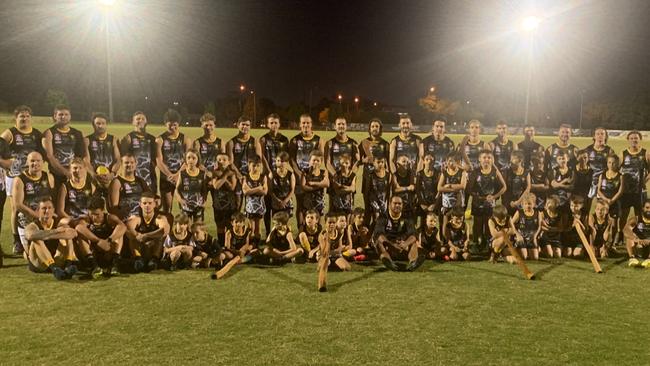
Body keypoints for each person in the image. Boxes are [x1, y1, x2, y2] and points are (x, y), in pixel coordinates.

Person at [0, 105, 44, 254]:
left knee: (32, 204)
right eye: (21, 116)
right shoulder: (10, 133)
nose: (24, 119)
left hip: (32, 175)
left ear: (31, 118)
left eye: (27, 116)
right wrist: (5, 164)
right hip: (14, 176)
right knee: (15, 208)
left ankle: (35, 234)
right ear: (16, 118)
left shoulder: (37, 134)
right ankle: (16, 241)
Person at [24, 197, 78, 280]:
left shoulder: (59, 223)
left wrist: (49, 235)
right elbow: (30, 235)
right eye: (44, 208)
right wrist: (54, 232)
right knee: (37, 238)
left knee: (67, 236)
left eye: (49, 208)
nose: (47, 211)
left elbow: (73, 233)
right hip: (39, 264)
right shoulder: (33, 225)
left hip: (57, 261)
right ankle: (54, 269)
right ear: (38, 211)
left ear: (53, 210)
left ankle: (68, 265)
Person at [12, 152, 54, 252]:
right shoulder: (19, 180)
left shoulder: (49, 177)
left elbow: (51, 200)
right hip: (27, 222)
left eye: (38, 161)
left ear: (43, 162)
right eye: (32, 161)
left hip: (44, 220)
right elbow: (18, 205)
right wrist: (37, 215)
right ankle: (19, 242)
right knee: (32, 254)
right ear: (27, 162)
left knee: (52, 250)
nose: (35, 163)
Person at [75, 197, 126, 277]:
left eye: (97, 214)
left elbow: (123, 226)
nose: (94, 217)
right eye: (92, 214)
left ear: (103, 210)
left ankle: (114, 265)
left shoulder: (109, 218)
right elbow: (78, 227)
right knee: (80, 237)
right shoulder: (87, 220)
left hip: (108, 250)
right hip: (94, 252)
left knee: (119, 234)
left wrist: (109, 240)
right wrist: (98, 240)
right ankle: (94, 266)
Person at [41, 104, 86, 194]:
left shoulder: (77, 133)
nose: (63, 117)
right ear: (55, 116)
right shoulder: (49, 133)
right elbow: (49, 156)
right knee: (57, 202)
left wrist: (75, 172)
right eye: (60, 114)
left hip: (74, 174)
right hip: (56, 174)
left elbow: (80, 156)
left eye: (66, 114)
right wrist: (65, 172)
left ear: (70, 116)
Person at [288, 114, 323, 226]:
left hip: (314, 177)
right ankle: (301, 230)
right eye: (303, 123)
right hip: (299, 176)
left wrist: (314, 174)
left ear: (311, 124)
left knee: (316, 204)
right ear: (300, 125)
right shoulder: (294, 140)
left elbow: (320, 158)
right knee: (300, 205)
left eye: (308, 123)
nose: (306, 125)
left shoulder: (319, 140)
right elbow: (292, 159)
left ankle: (315, 231)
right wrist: (299, 173)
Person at [156, 109, 193, 213]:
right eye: (170, 124)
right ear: (165, 124)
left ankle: (184, 229)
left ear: (179, 124)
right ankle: (168, 229)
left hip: (182, 177)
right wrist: (169, 175)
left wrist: (177, 175)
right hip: (166, 178)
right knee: (167, 209)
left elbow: (188, 160)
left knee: (185, 208)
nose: (172, 127)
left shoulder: (185, 139)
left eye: (175, 124)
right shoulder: (160, 140)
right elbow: (159, 160)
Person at [468, 150, 506, 250]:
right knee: (477, 224)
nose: (487, 160)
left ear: (492, 160)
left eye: (489, 158)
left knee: (488, 224)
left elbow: (504, 187)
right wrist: (480, 197)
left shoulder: (495, 172)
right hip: (478, 204)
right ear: (479, 159)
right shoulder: (475, 172)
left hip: (490, 205)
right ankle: (476, 243)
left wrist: (494, 197)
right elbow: (469, 189)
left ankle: (487, 244)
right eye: (484, 157)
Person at [259, 113, 289, 232]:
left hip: (281, 175)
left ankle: (281, 231)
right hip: (268, 174)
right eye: (271, 122)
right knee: (267, 204)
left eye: (276, 122)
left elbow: (286, 157)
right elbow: (262, 156)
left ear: (279, 124)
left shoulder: (284, 140)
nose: (274, 125)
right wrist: (269, 171)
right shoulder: (263, 139)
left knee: (280, 203)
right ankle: (268, 232)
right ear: (267, 124)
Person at [373, 196, 420, 271]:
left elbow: (414, 234)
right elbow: (378, 235)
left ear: (402, 205)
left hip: (403, 246)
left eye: (399, 203)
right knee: (379, 243)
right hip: (389, 247)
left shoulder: (407, 217)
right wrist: (392, 245)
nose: (397, 205)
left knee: (413, 243)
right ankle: (389, 262)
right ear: (389, 204)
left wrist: (405, 244)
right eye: (395, 203)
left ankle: (413, 263)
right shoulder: (383, 217)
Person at [125, 192, 170, 272]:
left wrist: (146, 235)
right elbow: (128, 228)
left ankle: (154, 260)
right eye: (144, 203)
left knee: (159, 237)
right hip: (141, 247)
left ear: (154, 204)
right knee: (132, 237)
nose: (147, 205)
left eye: (150, 203)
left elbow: (165, 230)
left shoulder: (160, 217)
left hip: (154, 248)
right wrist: (137, 235)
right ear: (140, 204)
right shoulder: (137, 217)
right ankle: (138, 259)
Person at [619, 131, 650, 246]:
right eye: (631, 138)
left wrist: (644, 181)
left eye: (636, 138)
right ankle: (621, 236)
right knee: (623, 215)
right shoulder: (623, 154)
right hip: (626, 192)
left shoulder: (646, 153)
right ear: (628, 140)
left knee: (640, 215)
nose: (634, 140)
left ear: (640, 139)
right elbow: (617, 170)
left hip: (640, 192)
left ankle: (640, 236)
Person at [226, 116, 262, 208]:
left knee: (252, 205)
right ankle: (236, 222)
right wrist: (240, 176)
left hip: (252, 177)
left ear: (250, 126)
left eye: (247, 125)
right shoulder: (231, 142)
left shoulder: (255, 141)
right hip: (238, 178)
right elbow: (230, 162)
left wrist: (253, 176)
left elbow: (259, 161)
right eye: (243, 124)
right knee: (237, 204)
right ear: (238, 125)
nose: (245, 127)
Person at [84, 112, 120, 201]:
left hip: (109, 179)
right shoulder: (87, 140)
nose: (100, 126)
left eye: (103, 123)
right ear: (93, 125)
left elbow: (118, 159)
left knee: (112, 206)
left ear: (106, 125)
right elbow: (86, 161)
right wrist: (94, 175)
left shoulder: (113, 139)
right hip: (93, 180)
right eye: (98, 123)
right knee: (93, 207)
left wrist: (112, 174)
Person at [359, 118, 389, 225]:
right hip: (367, 181)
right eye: (372, 126)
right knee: (368, 210)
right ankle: (366, 236)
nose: (374, 128)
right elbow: (357, 161)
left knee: (381, 210)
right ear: (369, 128)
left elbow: (388, 163)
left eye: (377, 126)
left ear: (380, 128)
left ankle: (380, 234)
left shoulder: (385, 144)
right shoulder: (364, 143)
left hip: (381, 182)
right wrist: (363, 160)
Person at [120, 111, 157, 192]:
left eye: (143, 118)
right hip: (133, 179)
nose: (140, 120)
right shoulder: (128, 138)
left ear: (146, 121)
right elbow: (123, 160)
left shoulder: (152, 139)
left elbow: (155, 159)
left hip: (150, 178)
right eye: (138, 119)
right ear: (133, 122)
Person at [211, 213, 255, 279]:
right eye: (236, 222)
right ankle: (216, 263)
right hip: (231, 252)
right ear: (232, 223)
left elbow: (247, 244)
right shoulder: (229, 232)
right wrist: (237, 252)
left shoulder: (246, 231)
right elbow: (227, 247)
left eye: (240, 222)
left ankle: (241, 260)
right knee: (227, 255)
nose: (238, 224)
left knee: (254, 252)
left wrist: (243, 249)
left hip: (241, 253)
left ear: (243, 223)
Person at [108, 154, 150, 221]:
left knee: (167, 218)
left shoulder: (140, 181)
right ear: (121, 164)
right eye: (126, 163)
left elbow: (150, 196)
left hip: (143, 215)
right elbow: (113, 208)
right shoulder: (116, 182)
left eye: (132, 162)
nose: (129, 165)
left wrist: (157, 198)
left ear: (136, 164)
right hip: (128, 218)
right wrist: (126, 217)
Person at [317, 212, 350, 292]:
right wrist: (327, 241)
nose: (331, 225)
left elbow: (340, 248)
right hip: (325, 256)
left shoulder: (339, 233)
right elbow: (324, 252)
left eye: (334, 222)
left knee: (346, 267)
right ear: (325, 223)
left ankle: (331, 265)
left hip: (335, 256)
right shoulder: (322, 235)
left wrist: (335, 252)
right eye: (329, 222)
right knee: (325, 262)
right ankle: (322, 285)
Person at [57, 158, 95, 225]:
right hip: (70, 219)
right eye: (75, 168)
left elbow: (94, 207)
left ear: (85, 169)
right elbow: (60, 211)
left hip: (85, 219)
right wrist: (73, 220)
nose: (78, 170)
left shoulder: (91, 186)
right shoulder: (64, 187)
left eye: (80, 168)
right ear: (70, 170)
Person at [175, 149, 209, 222]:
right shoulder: (182, 173)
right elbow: (177, 189)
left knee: (198, 228)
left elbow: (204, 190)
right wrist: (180, 200)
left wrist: (205, 201)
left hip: (198, 205)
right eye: (188, 158)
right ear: (185, 160)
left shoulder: (202, 174)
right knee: (187, 228)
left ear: (198, 160)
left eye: (194, 158)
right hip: (186, 206)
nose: (191, 160)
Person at [437, 152, 467, 235]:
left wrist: (449, 185)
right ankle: (445, 241)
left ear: (457, 162)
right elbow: (439, 188)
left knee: (459, 222)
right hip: (446, 203)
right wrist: (453, 190)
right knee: (446, 223)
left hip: (458, 202)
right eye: (448, 161)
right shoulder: (444, 173)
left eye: (452, 161)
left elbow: (462, 186)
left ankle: (460, 240)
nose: (449, 163)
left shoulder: (462, 172)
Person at [596, 155, 624, 242]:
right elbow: (598, 190)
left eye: (613, 163)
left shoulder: (620, 176)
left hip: (614, 202)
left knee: (613, 224)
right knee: (602, 221)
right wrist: (605, 200)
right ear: (607, 163)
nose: (611, 165)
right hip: (603, 202)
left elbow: (620, 191)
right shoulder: (602, 175)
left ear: (617, 163)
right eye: (609, 162)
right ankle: (601, 240)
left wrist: (611, 201)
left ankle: (611, 244)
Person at [211, 154, 238, 245]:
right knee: (220, 226)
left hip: (230, 205)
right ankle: (221, 245)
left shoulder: (233, 173)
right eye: (219, 160)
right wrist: (225, 176)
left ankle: (230, 245)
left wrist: (224, 176)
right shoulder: (215, 173)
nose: (221, 162)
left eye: (224, 159)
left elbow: (232, 187)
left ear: (229, 161)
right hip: (218, 205)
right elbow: (216, 186)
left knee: (230, 226)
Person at [584, 127, 614, 203]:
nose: (600, 136)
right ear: (594, 136)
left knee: (602, 205)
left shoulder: (609, 150)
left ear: (606, 136)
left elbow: (613, 167)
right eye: (597, 134)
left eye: (602, 134)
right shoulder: (588, 149)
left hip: (603, 182)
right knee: (587, 204)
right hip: (590, 182)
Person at [242, 155, 268, 243]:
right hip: (250, 207)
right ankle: (250, 245)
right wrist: (258, 189)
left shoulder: (263, 177)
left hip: (260, 207)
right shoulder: (246, 177)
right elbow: (245, 192)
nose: (255, 168)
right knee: (251, 228)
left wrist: (251, 190)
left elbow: (265, 192)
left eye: (257, 166)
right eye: (253, 165)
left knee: (258, 228)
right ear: (249, 165)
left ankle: (257, 246)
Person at [511, 193, 542, 260]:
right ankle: (515, 248)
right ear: (522, 204)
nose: (528, 206)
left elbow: (539, 226)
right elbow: (511, 224)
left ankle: (532, 249)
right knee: (524, 257)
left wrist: (535, 237)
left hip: (531, 238)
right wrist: (517, 235)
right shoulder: (519, 212)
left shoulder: (538, 213)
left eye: (529, 204)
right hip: (522, 237)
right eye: (525, 204)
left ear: (534, 204)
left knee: (535, 258)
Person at [501, 150, 530, 216]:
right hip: (507, 202)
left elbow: (528, 188)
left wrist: (518, 202)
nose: (511, 161)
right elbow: (503, 187)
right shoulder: (506, 171)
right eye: (511, 158)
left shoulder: (526, 172)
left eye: (514, 159)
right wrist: (509, 201)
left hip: (521, 202)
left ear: (520, 161)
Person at [301, 150, 329, 218]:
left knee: (318, 222)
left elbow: (327, 184)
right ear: (310, 161)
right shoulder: (305, 172)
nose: (315, 162)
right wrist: (319, 185)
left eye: (318, 160)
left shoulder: (324, 172)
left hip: (319, 203)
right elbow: (303, 187)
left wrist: (313, 183)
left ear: (321, 162)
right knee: (307, 222)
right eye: (313, 160)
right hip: (307, 203)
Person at [623, 199, 650, 268]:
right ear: (643, 208)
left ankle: (649, 260)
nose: (649, 210)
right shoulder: (636, 219)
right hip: (639, 246)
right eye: (647, 207)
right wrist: (636, 239)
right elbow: (626, 230)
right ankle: (632, 258)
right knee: (630, 236)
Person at [365, 156, 391, 228]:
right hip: (374, 200)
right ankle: (375, 234)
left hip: (383, 200)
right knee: (377, 218)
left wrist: (387, 202)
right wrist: (368, 203)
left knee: (384, 218)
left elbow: (388, 191)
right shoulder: (370, 175)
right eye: (378, 162)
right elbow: (367, 190)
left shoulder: (388, 175)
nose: (380, 164)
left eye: (382, 162)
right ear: (374, 163)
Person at [269, 151, 295, 218]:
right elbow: (270, 190)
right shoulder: (272, 174)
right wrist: (278, 201)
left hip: (287, 203)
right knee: (277, 223)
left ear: (287, 162)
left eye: (282, 161)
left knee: (286, 224)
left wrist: (285, 201)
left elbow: (292, 190)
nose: (279, 163)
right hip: (276, 203)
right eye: (278, 160)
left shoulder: (290, 174)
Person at [549, 151, 574, 220]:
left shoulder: (571, 171)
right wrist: (564, 181)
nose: (561, 160)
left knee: (567, 216)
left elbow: (571, 187)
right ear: (556, 160)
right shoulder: (554, 170)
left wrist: (559, 184)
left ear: (567, 159)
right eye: (559, 159)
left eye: (563, 158)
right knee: (557, 216)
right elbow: (553, 185)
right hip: (556, 198)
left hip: (567, 198)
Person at [416, 154, 439, 226]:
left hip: (434, 203)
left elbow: (439, 190)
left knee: (432, 223)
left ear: (434, 162)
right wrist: (422, 203)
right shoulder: (420, 174)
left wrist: (435, 204)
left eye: (431, 160)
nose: (429, 162)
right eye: (427, 160)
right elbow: (417, 190)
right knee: (423, 223)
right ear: (423, 161)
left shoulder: (438, 173)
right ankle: (421, 236)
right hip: (423, 203)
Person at [392, 153, 417, 218]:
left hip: (409, 202)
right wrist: (407, 188)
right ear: (397, 164)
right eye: (403, 162)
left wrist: (413, 170)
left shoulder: (410, 173)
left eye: (407, 162)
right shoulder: (394, 175)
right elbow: (396, 189)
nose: (406, 164)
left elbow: (413, 187)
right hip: (398, 203)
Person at [573, 149, 593, 214]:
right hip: (574, 198)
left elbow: (591, 187)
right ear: (577, 158)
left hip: (586, 198)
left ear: (588, 158)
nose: (583, 160)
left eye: (585, 157)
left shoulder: (591, 171)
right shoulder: (572, 170)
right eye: (581, 158)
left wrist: (589, 198)